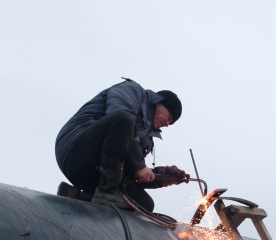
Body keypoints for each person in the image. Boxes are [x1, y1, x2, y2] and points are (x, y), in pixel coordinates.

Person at [55, 78, 184, 210]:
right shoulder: (133, 91)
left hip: (95, 173)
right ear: (159, 102)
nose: (167, 124)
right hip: (75, 149)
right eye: (169, 117)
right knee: (124, 119)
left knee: (144, 204)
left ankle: (79, 196)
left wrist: (161, 177)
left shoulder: (147, 140)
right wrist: (139, 166)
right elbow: (118, 116)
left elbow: (126, 169)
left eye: (171, 123)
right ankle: (107, 193)